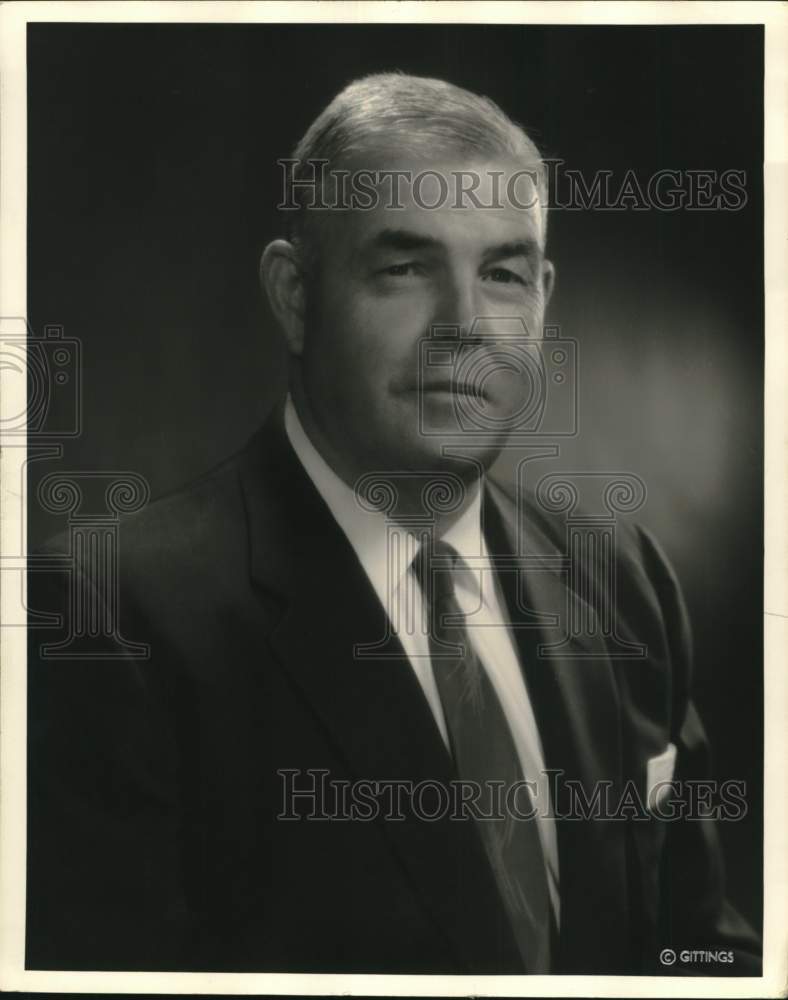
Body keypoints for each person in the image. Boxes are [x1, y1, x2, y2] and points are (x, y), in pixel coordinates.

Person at [26, 73, 760, 975]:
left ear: (542, 300)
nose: (464, 329)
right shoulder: (107, 619)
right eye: (405, 268)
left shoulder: (625, 581)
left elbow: (697, 952)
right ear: (295, 295)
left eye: (502, 274)